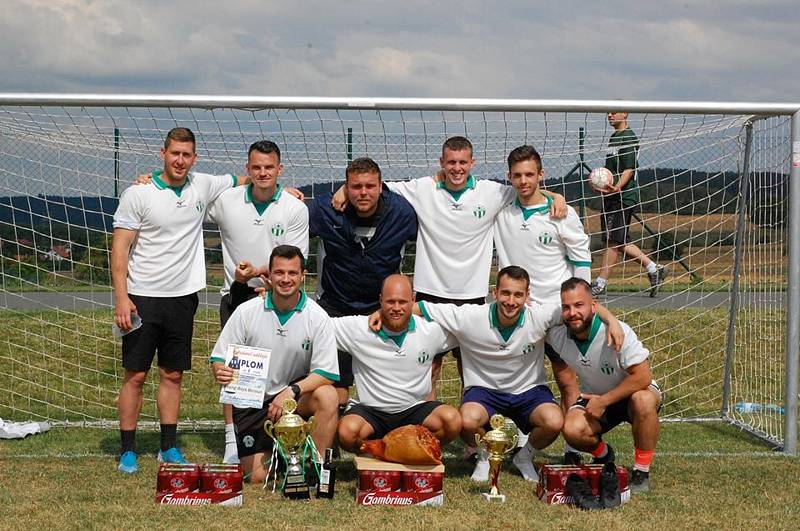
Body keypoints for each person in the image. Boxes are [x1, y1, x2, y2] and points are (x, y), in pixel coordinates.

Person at [333, 137, 568, 397]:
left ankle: (473, 429)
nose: (457, 168)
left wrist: (554, 195)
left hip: (472, 297)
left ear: (472, 163)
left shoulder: (492, 192)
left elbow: (527, 189)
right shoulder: (423, 188)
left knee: (470, 368)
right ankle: (428, 429)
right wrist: (345, 190)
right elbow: (378, 188)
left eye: (463, 162)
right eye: (451, 162)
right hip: (429, 293)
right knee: (429, 365)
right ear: (441, 162)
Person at [370, 265, 623, 483]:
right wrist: (380, 312)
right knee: (466, 419)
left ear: (527, 296)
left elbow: (582, 308)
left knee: (554, 420)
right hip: (484, 392)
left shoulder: (540, 315)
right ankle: (484, 456)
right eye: (505, 293)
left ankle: (525, 457)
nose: (510, 301)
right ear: (495, 293)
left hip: (529, 391)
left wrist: (611, 320)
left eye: (517, 295)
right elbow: (422, 307)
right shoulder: (471, 316)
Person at [111, 127, 239, 473]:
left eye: (186, 155)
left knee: (173, 375)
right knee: (135, 375)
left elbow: (244, 178)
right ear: (163, 153)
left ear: (194, 158)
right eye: (174, 153)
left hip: (183, 299)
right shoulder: (138, 193)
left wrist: (282, 190)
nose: (180, 160)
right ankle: (128, 449)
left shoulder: (203, 184)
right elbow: (120, 250)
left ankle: (168, 446)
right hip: (140, 299)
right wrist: (122, 299)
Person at [206, 140, 309, 464]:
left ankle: (283, 433)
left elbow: (294, 256)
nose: (263, 173)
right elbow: (192, 197)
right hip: (237, 295)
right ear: (247, 170)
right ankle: (232, 441)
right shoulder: (226, 201)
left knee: (285, 367)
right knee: (234, 370)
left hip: (279, 292)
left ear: (280, 170)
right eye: (256, 167)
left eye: (269, 167)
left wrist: (262, 273)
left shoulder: (294, 207)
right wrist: (147, 180)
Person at [493, 144, 592, 462]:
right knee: (512, 379)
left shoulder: (561, 212)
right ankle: (513, 440)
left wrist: (581, 302)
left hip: (554, 313)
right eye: (517, 175)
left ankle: (573, 445)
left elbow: (580, 257)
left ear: (541, 175)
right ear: (509, 177)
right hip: (515, 312)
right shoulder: (502, 208)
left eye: (530, 175)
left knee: (565, 378)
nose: (524, 181)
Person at [209, 245, 339, 483]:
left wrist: (291, 391)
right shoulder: (246, 311)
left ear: (303, 276)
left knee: (329, 396)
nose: (286, 279)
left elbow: (326, 373)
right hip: (253, 401)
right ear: (269, 275)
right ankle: (285, 452)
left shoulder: (318, 317)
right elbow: (219, 357)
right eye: (279, 273)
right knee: (256, 477)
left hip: (293, 401)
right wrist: (220, 370)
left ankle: (317, 470)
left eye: (292, 273)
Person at [309, 157, 418, 409]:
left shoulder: (402, 213)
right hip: (335, 306)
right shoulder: (326, 209)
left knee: (391, 383)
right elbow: (287, 220)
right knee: (334, 389)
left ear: (381, 187)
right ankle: (330, 438)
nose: (363, 193)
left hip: (381, 309)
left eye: (370, 186)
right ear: (346, 187)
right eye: (356, 187)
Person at [547, 277, 662, 492]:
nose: (573, 313)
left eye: (579, 305)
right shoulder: (557, 335)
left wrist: (604, 401)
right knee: (572, 429)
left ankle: (641, 471)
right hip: (595, 397)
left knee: (643, 400)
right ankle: (603, 455)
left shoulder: (617, 332)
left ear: (594, 305)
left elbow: (643, 376)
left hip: (633, 392)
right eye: (566, 307)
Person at [331, 274, 462, 452]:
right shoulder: (358, 329)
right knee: (347, 432)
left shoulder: (430, 330)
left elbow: (465, 324)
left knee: (451, 421)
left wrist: (422, 309)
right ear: (380, 301)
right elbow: (318, 326)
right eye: (390, 302)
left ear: (413, 301)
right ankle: (384, 451)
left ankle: (410, 450)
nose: (396, 308)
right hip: (372, 413)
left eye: (403, 302)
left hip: (415, 409)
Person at [592, 111, 668, 298]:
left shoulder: (628, 138)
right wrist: (600, 184)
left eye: (614, 111)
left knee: (613, 240)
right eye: (607, 112)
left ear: (625, 113)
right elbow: (609, 171)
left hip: (622, 196)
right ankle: (653, 268)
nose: (609, 115)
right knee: (617, 239)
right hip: (611, 195)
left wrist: (617, 187)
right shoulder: (613, 137)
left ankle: (601, 284)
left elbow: (629, 169)